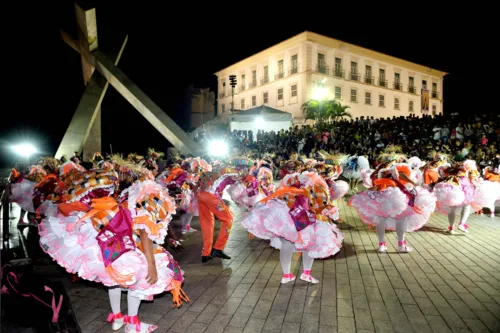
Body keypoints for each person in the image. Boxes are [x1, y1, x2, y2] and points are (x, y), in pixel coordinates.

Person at [349, 152, 436, 252]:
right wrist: (413, 183)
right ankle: (398, 245)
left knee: (384, 221)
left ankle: (384, 245)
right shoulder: (391, 169)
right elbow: (401, 176)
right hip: (394, 197)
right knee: (396, 220)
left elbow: (376, 180)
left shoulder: (381, 170)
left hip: (387, 197)